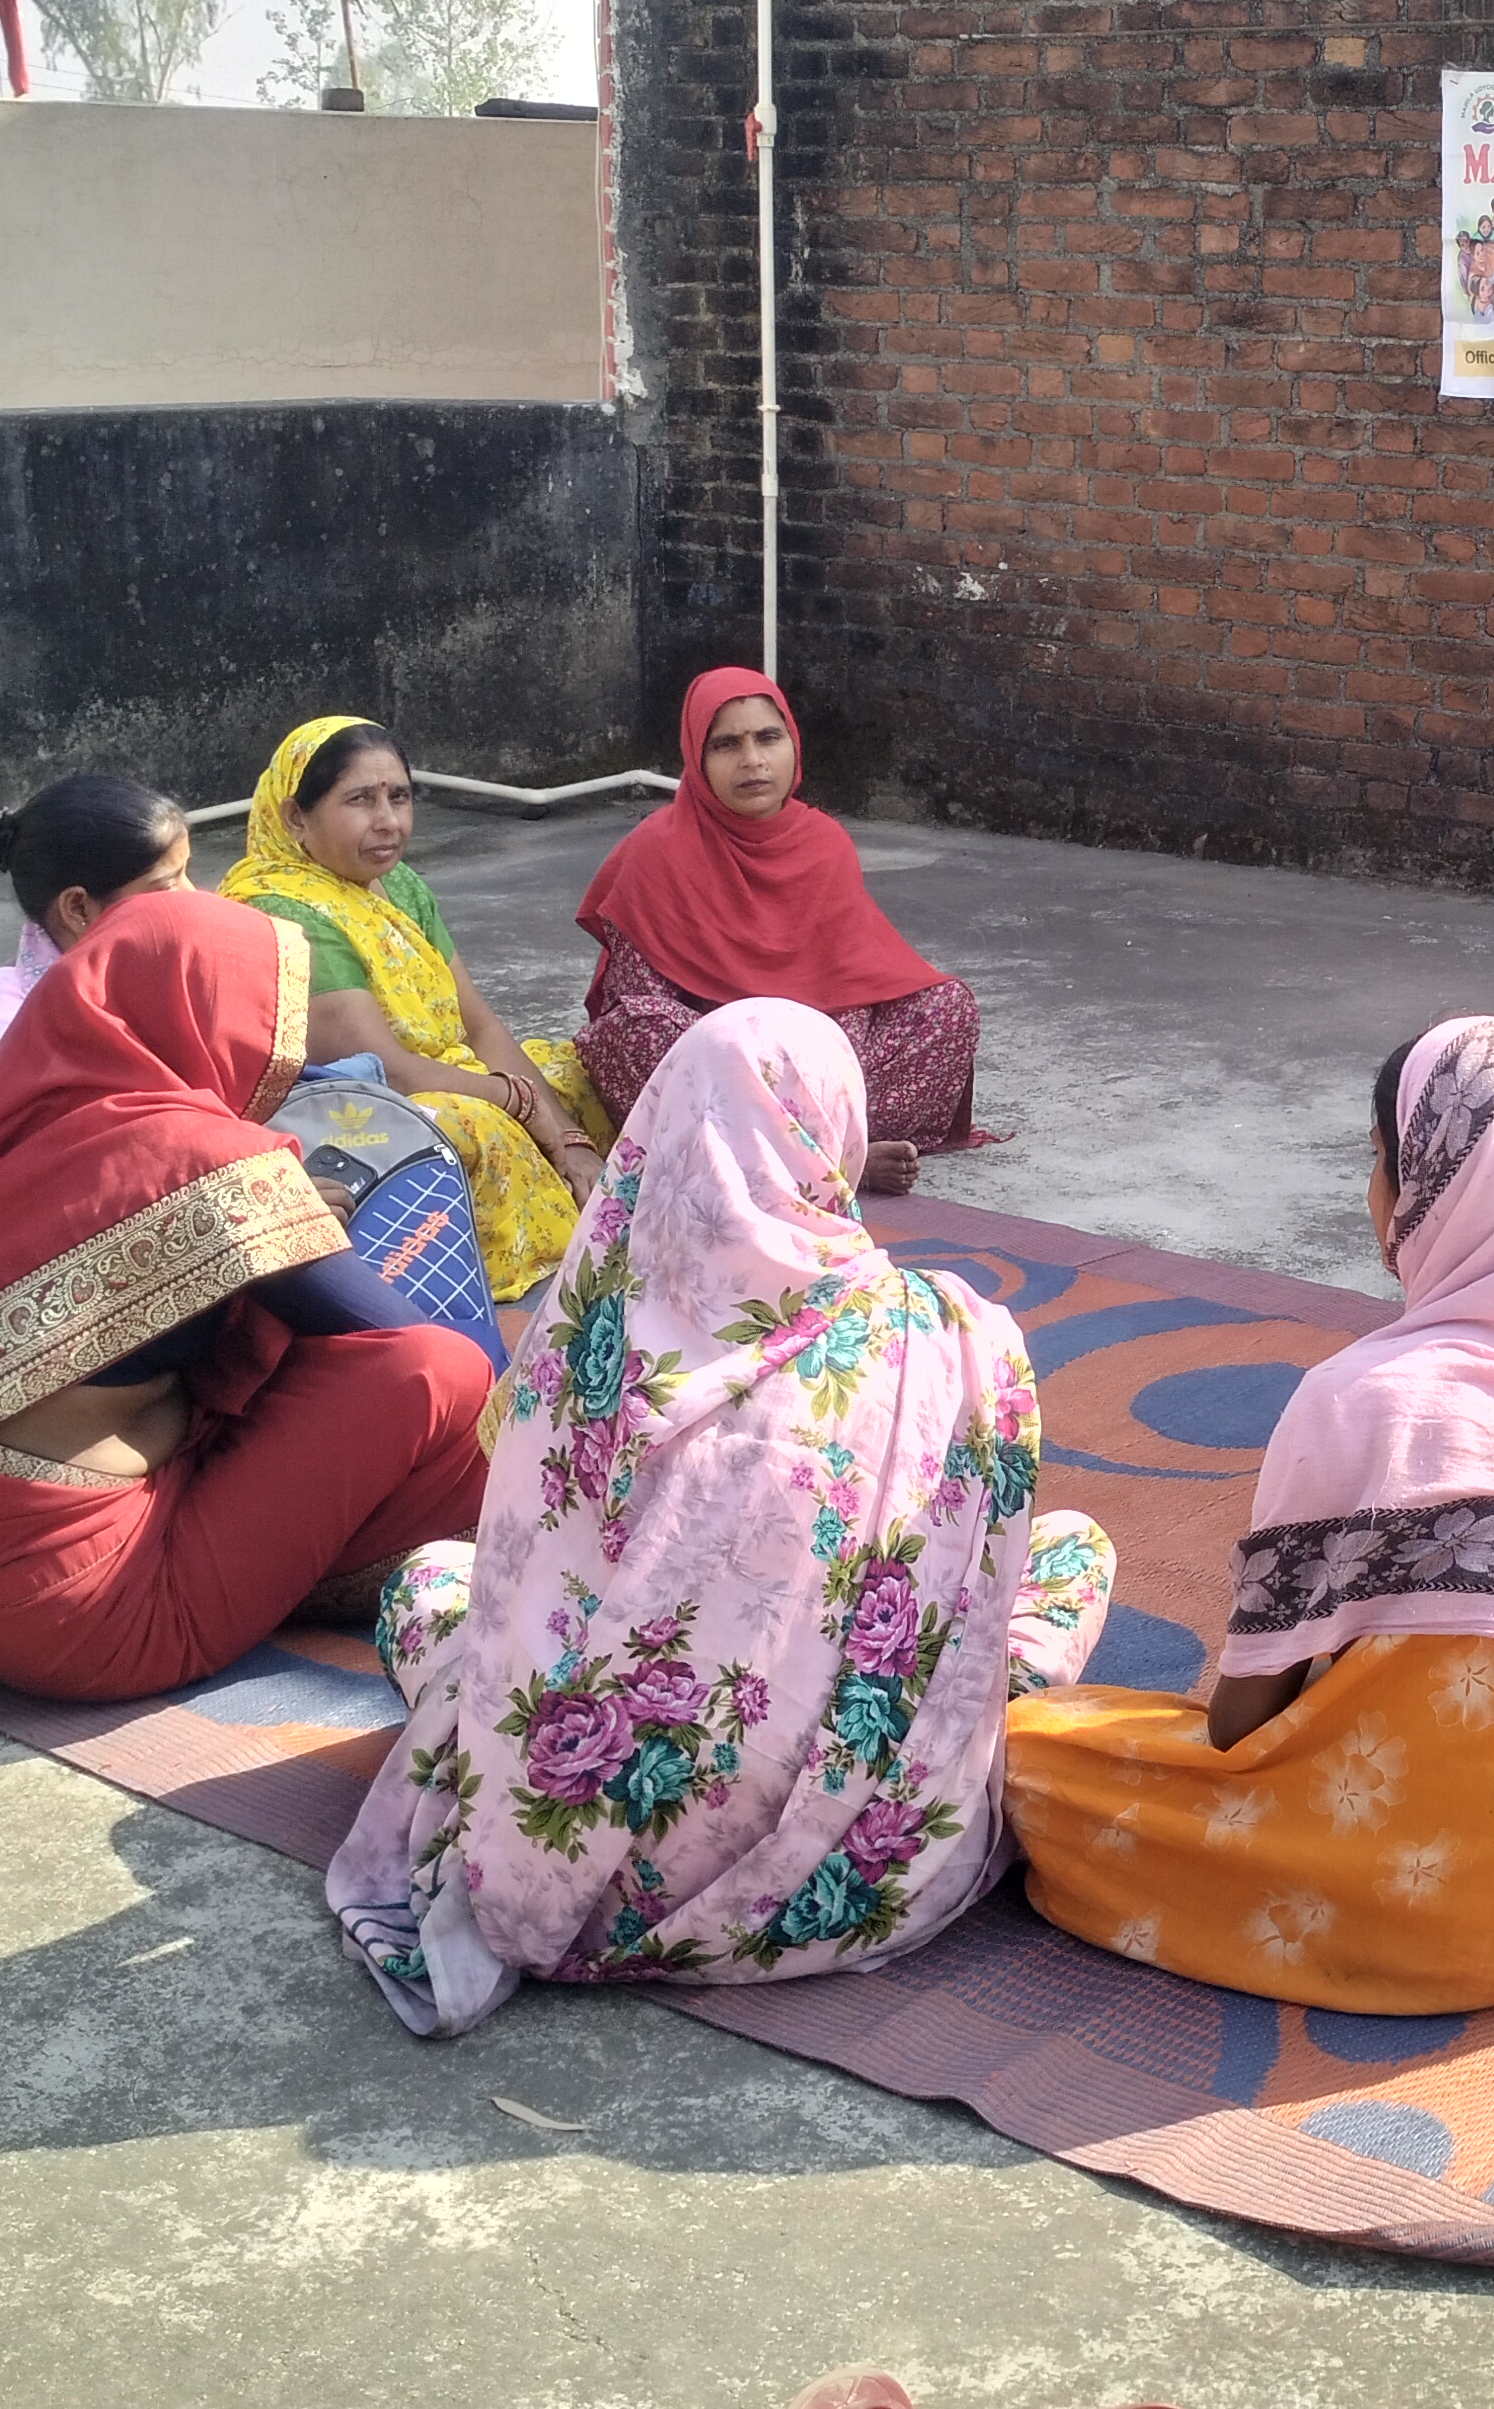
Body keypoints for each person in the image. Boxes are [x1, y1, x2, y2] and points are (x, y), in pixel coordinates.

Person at [328, 999, 1115, 2035]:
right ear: (831, 1130)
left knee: (430, 1583)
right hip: (860, 1875)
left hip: (567, 1850)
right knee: (1072, 1554)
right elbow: (973, 1582)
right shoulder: (956, 1334)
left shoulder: (584, 1340)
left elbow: (527, 1584)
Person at [1004, 1016, 1494, 2016]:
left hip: (1457, 1915)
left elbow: (1246, 1719)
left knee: (1038, 1760)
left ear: (1428, 1193)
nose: (1372, 1194)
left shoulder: (1363, 1397)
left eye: (1382, 1164)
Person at [0, 890, 494, 1702]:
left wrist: (274, 1223)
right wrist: (279, 1216)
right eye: (268, 1022)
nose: (280, 1055)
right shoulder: (199, 1161)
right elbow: (395, 1335)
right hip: (93, 1613)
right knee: (444, 1374)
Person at [222, 716, 603, 1308]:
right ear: (296, 817)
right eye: (359, 800)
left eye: (398, 798)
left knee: (574, 1070)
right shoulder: (281, 910)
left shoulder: (396, 885)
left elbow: (477, 1024)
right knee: (461, 1123)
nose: (388, 823)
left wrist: (566, 1133)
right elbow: (388, 1070)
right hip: (356, 1109)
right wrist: (520, 1104)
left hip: (443, 1073)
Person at [571, 670, 980, 1192]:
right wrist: (746, 1051)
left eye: (768, 738)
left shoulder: (823, 842)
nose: (753, 761)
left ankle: (795, 1153)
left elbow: (848, 985)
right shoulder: (656, 851)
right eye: (726, 744)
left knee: (947, 1007)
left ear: (793, 743)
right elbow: (640, 1001)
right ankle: (831, 1158)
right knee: (634, 1029)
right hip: (721, 1067)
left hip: (816, 1060)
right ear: (696, 757)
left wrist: (811, 1061)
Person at [0, 774, 195, 1123]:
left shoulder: (141, 988)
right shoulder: (0, 1032)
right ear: (78, 909)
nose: (195, 897)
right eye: (169, 884)